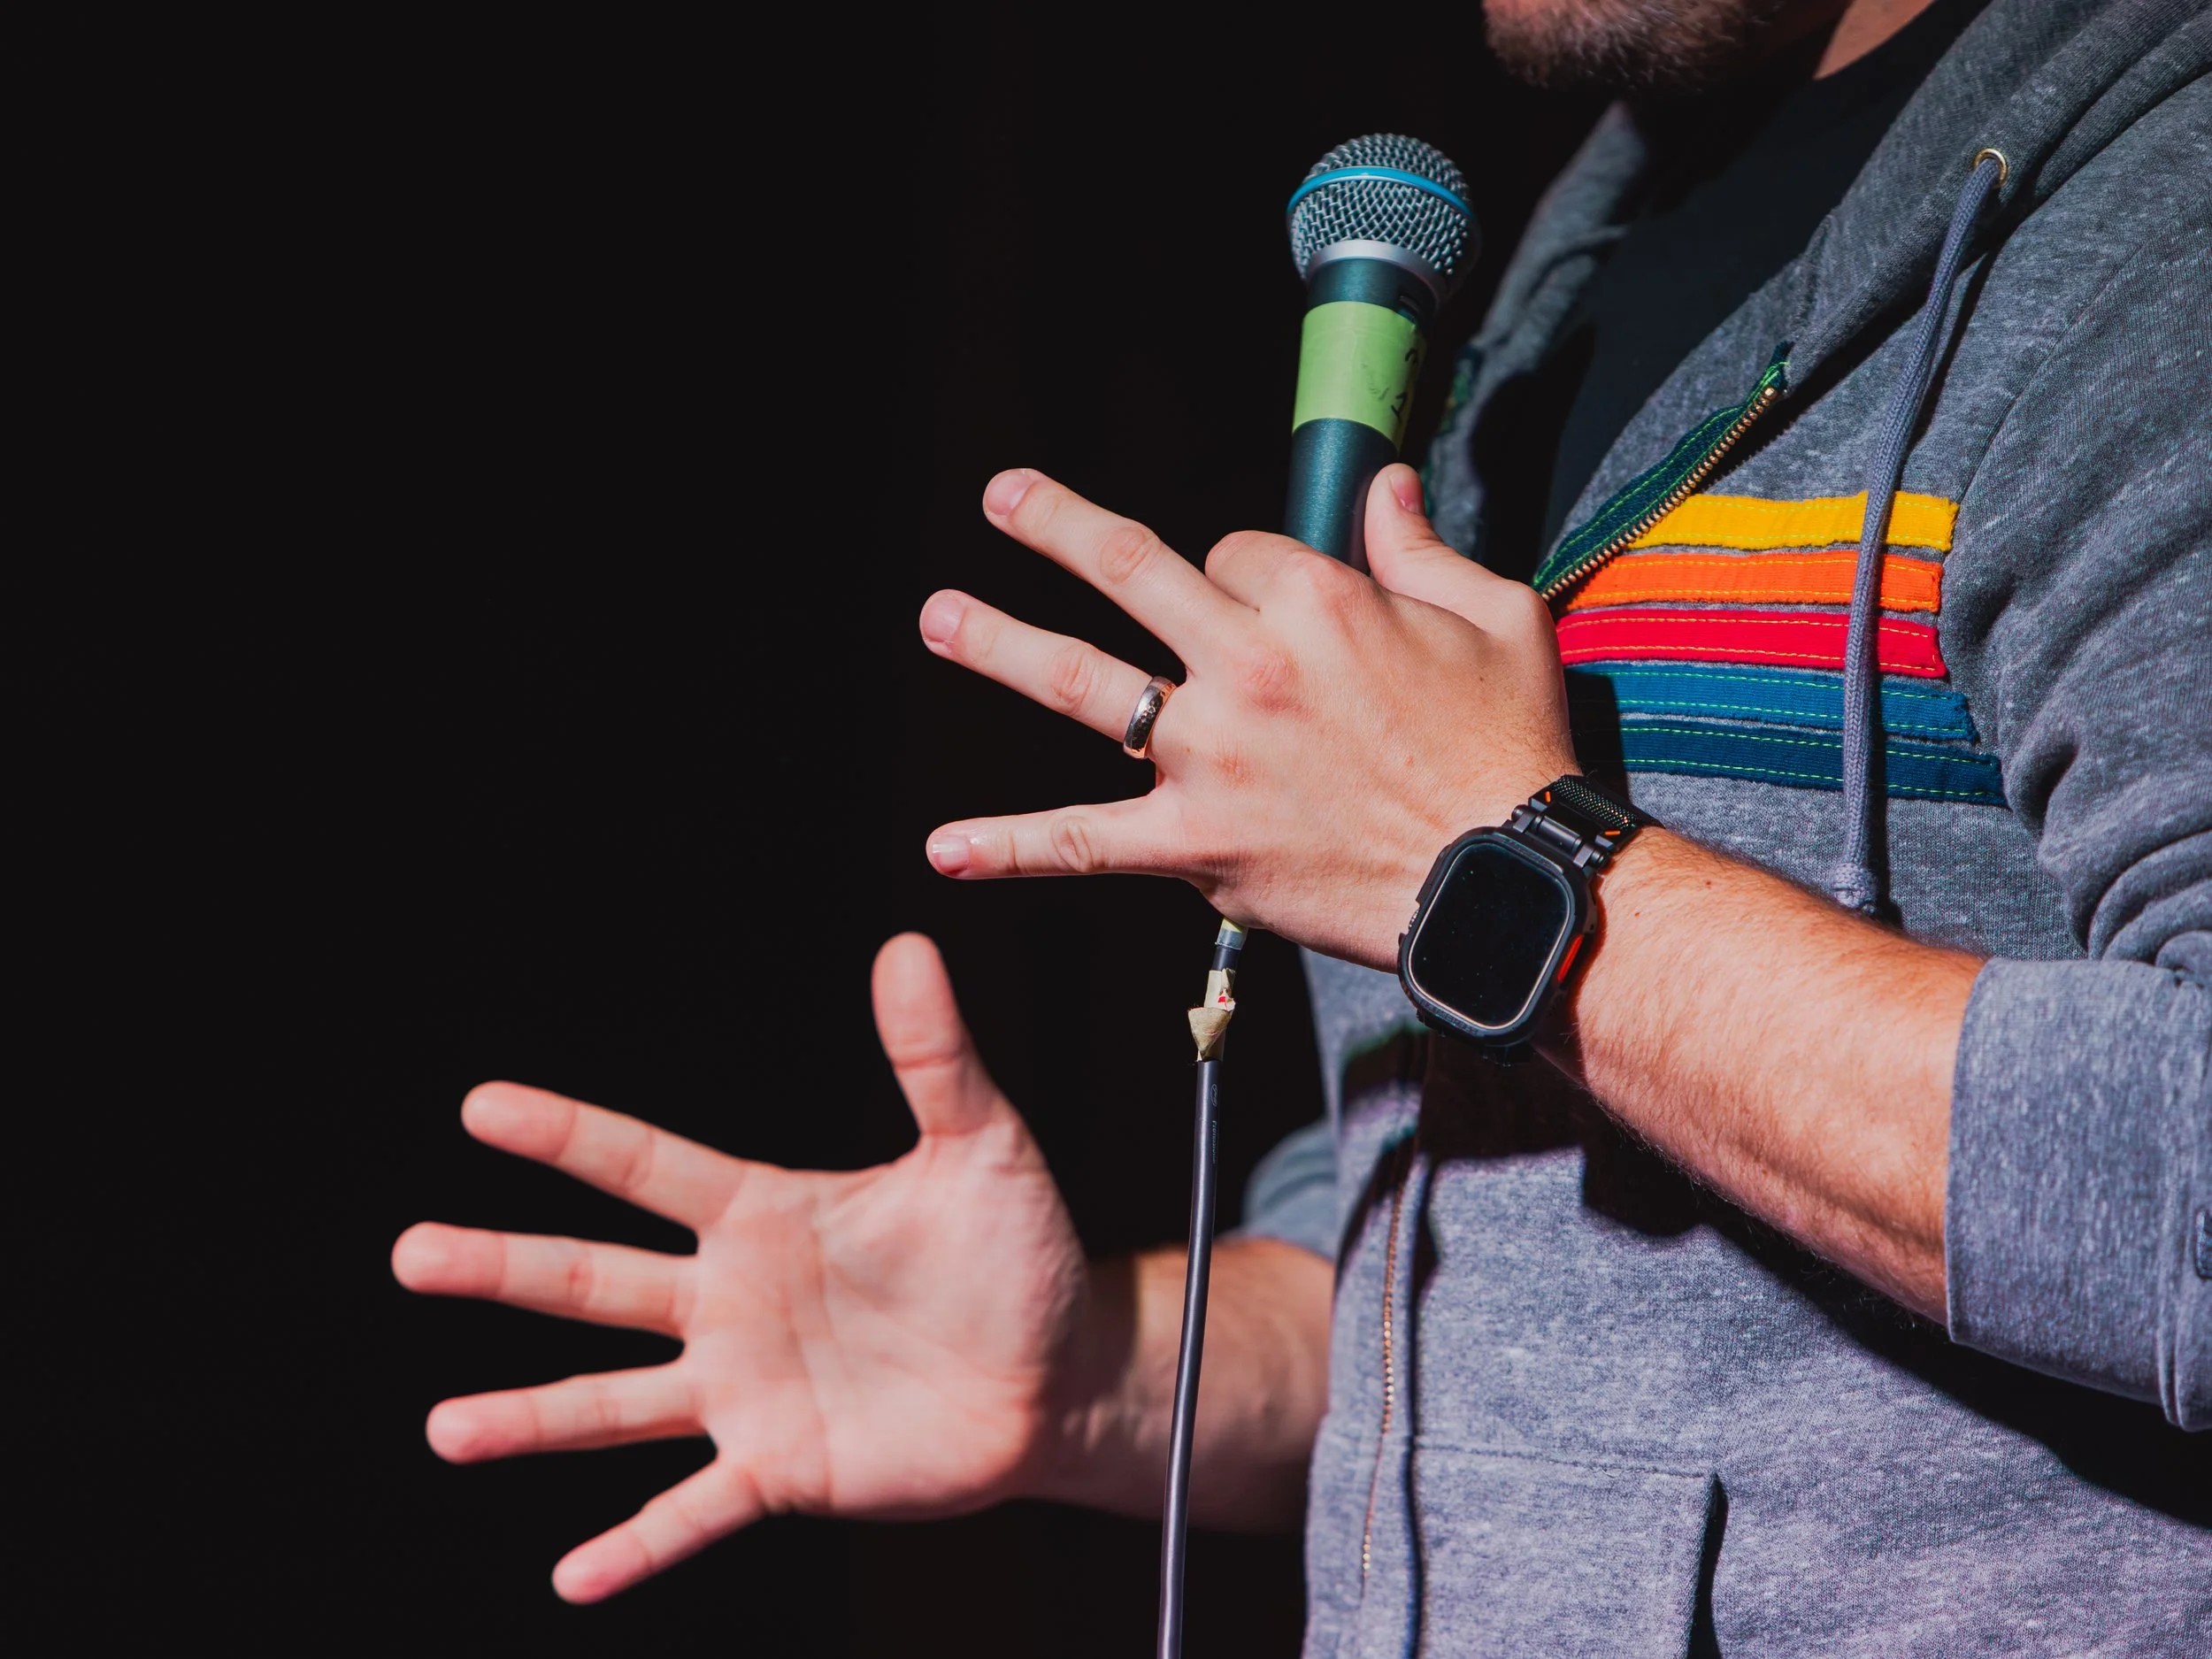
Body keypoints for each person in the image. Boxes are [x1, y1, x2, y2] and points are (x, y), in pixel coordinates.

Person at [393, 0, 2211, 1645]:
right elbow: (1518, 1280)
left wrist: (1505, 876)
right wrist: (1097, 1369)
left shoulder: (2155, 230)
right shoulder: (1590, 257)